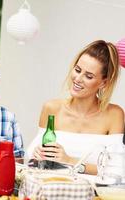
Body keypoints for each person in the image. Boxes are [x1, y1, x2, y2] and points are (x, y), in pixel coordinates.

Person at [28, 40, 125, 175]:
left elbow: (117, 170)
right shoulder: (51, 108)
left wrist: (70, 161)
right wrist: (37, 155)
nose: (78, 79)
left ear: (103, 83)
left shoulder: (114, 115)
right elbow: (32, 159)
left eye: (89, 76)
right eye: (77, 70)